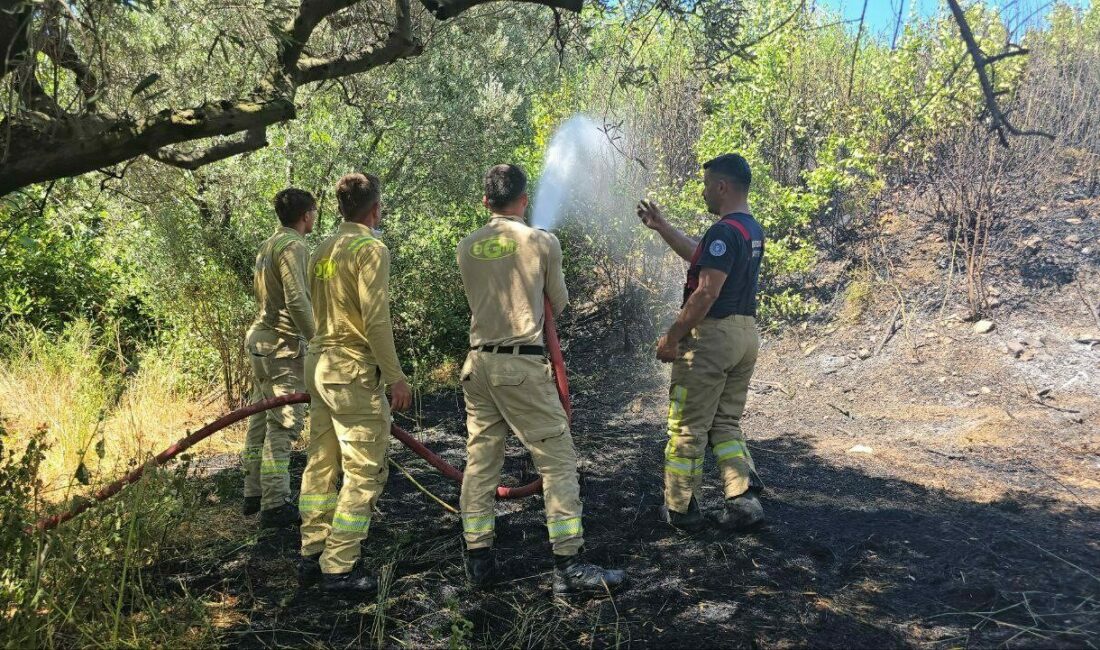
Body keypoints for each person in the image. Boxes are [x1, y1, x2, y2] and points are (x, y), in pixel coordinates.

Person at [456, 164, 625, 594]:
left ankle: (478, 559)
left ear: (485, 202)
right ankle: (569, 564)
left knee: (480, 464)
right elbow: (560, 304)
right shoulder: (541, 242)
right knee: (559, 462)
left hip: (478, 367)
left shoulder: (467, 246)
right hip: (520, 367)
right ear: (524, 199)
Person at [636, 153, 767, 532]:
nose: (704, 191)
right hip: (745, 335)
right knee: (725, 422)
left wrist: (672, 338)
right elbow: (701, 256)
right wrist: (662, 227)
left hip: (712, 338)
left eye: (708, 184)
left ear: (723, 187)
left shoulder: (724, 232)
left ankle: (679, 510)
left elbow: (706, 292)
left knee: (687, 425)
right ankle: (743, 500)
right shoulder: (748, 229)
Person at [296, 173, 413, 595]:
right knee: (363, 471)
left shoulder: (321, 249)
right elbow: (376, 321)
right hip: (350, 369)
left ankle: (312, 549)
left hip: (319, 363)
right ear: (375, 209)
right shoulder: (371, 248)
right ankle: (339, 565)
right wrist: (396, 376)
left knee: (321, 462)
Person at [241, 188, 317, 529]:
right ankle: (275, 502)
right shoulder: (294, 245)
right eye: (314, 213)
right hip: (281, 345)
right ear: (307, 215)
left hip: (258, 341)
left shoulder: (268, 244)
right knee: (282, 424)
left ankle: (252, 491)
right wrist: (319, 339)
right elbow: (297, 299)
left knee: (258, 419)